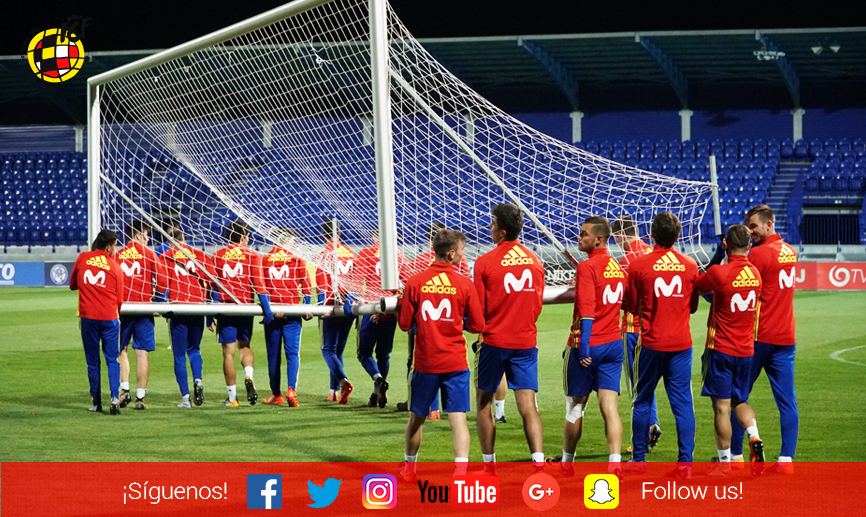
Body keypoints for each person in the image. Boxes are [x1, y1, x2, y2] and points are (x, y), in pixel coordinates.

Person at [397, 229, 485, 478]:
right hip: (455, 361)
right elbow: (478, 326)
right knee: (457, 419)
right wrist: (460, 320)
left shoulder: (414, 282)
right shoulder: (464, 284)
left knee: (417, 418)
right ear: (451, 253)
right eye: (461, 251)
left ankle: (410, 468)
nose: (462, 255)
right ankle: (460, 473)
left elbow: (404, 324)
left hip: (425, 362)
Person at [623, 211, 699, 479]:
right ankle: (685, 465)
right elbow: (692, 307)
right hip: (681, 345)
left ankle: (639, 459)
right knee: (682, 404)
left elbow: (631, 307)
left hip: (652, 343)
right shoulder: (690, 266)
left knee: (642, 400)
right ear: (678, 236)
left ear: (652, 235)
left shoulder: (638, 266)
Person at [473, 203, 546, 469]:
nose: (490, 228)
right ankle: (538, 462)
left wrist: (477, 329)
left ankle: (489, 466)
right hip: (526, 341)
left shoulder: (484, 262)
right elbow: (536, 304)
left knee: (483, 403)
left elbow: (478, 310)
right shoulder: (535, 261)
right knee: (528, 406)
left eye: (492, 224)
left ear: (502, 231)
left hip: (493, 341)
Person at [731, 205, 798, 474]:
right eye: (748, 227)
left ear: (769, 224)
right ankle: (786, 461)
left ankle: (735, 457)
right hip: (786, 337)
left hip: (758, 338)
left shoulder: (758, 254)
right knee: (787, 401)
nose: (750, 231)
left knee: (737, 396)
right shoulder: (790, 251)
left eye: (754, 226)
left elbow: (739, 284)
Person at [556, 216, 626, 477]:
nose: (579, 237)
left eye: (583, 234)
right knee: (609, 407)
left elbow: (586, 312)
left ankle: (567, 462)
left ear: (598, 239)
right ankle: (615, 463)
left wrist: (583, 346)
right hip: (613, 344)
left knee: (576, 406)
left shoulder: (587, 267)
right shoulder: (618, 268)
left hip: (586, 346)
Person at [695, 224, 765, 476]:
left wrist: (717, 255)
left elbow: (699, 284)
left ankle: (725, 465)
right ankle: (754, 436)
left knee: (722, 408)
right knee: (741, 401)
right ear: (749, 245)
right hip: (746, 350)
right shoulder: (756, 274)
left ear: (726, 244)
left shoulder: (719, 273)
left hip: (720, 349)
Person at [396, 222, 469, 416]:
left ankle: (428, 406)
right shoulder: (462, 263)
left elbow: (405, 284)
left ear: (430, 240)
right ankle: (435, 409)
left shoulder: (418, 262)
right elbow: (469, 288)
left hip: (423, 326)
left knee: (415, 362)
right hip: (453, 327)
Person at [612, 215, 661, 452]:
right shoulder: (653, 253)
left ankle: (646, 431)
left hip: (631, 329)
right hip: (653, 328)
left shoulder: (627, 259)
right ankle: (652, 423)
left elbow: (622, 297)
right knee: (647, 383)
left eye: (616, 238)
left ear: (621, 235)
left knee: (636, 385)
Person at [213, 220, 273, 407]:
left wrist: (210, 314)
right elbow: (259, 285)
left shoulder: (218, 255)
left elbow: (214, 288)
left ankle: (232, 399)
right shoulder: (252, 255)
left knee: (228, 353)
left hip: (226, 308)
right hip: (245, 307)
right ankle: (249, 375)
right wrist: (267, 310)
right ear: (242, 237)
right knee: (244, 346)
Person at [70, 229, 124, 415]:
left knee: (93, 362)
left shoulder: (82, 258)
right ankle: (114, 398)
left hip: (88, 318)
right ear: (108, 247)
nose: (115, 250)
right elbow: (120, 300)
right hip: (109, 318)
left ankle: (96, 402)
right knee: (112, 360)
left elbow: (72, 285)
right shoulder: (115, 267)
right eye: (115, 246)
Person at [114, 220, 167, 410]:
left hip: (123, 309)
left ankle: (124, 390)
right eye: (146, 235)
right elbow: (162, 281)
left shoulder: (117, 255)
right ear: (138, 235)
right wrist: (158, 302)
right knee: (142, 353)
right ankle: (140, 399)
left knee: (122, 351)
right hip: (144, 308)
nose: (148, 239)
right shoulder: (150, 254)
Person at [355, 226, 407, 409]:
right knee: (384, 354)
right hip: (390, 310)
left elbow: (357, 282)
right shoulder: (399, 256)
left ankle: (378, 379)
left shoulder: (365, 253)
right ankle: (378, 394)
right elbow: (406, 282)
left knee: (364, 353)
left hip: (371, 309)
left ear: (374, 235)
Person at [160, 228, 212, 408]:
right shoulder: (200, 255)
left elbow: (162, 282)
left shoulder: (166, 256)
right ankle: (198, 379)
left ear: (169, 242)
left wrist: (160, 304)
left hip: (178, 308)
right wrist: (210, 313)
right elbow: (212, 283)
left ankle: (185, 399)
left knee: (179, 356)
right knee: (195, 349)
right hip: (197, 307)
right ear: (185, 239)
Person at [262, 227, 313, 407]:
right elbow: (306, 286)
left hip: (273, 312)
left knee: (273, 357)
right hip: (293, 311)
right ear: (287, 240)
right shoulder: (296, 258)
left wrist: (270, 309)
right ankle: (292, 390)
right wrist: (307, 307)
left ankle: (277, 395)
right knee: (293, 354)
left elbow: (262, 288)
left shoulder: (265, 259)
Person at [314, 218, 357, 404]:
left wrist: (322, 305)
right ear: (339, 233)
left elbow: (321, 282)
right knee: (338, 351)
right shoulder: (351, 253)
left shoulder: (323, 254)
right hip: (347, 307)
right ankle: (333, 392)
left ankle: (343, 382)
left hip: (330, 307)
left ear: (324, 234)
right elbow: (356, 280)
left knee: (327, 350)